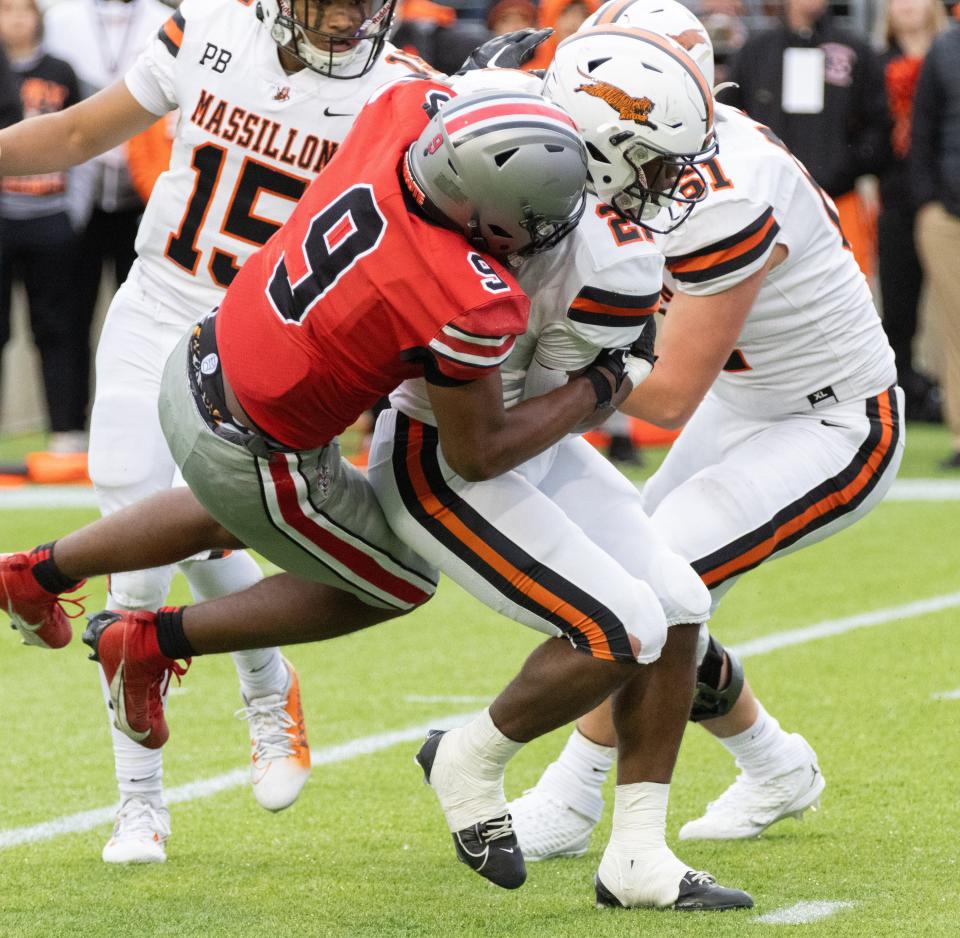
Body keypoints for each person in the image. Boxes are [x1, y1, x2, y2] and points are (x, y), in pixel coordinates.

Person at [0, 78, 623, 894]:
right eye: (529, 217)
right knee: (398, 581)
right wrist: (600, 389)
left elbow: (445, 97)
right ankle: (148, 642)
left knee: (229, 515)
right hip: (258, 444)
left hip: (202, 354)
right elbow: (477, 453)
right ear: (478, 208)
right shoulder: (466, 294)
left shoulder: (399, 119)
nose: (540, 234)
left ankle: (33, 574)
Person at [0, 0, 438, 865]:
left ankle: (169, 777)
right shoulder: (206, 27)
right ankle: (177, 771)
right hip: (159, 300)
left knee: (173, 533)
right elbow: (80, 132)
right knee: (138, 541)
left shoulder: (403, 96)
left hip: (267, 334)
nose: (351, 16)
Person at [505, 0, 903, 860]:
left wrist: (532, 356)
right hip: (745, 407)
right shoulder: (652, 145)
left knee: (652, 587)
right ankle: (775, 763)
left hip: (833, 422)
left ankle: (568, 798)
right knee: (655, 585)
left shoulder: (724, 193)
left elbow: (668, 393)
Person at [368, 27, 752, 911]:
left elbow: (481, 87)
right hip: (448, 456)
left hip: (519, 437)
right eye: (655, 165)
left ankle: (637, 856)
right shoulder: (609, 256)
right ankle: (472, 756)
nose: (667, 188)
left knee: (682, 604)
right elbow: (492, 438)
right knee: (622, 626)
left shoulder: (502, 148)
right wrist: (613, 377)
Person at [41, 0, 172, 454]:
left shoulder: (165, 20)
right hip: (76, 193)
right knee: (68, 317)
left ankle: (152, 429)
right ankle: (66, 428)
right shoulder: (60, 19)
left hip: (148, 193)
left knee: (148, 318)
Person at [725, 0, 891, 280]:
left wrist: (846, 166)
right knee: (767, 298)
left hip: (838, 200)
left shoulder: (855, 49)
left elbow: (878, 123)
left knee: (846, 295)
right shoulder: (756, 50)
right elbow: (728, 117)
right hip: (767, 204)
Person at [0, 0, 87, 451]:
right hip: (3, 219)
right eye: (6, 9)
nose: (16, 18)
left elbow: (84, 140)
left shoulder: (61, 71)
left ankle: (66, 432)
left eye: (24, 9)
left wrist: (75, 210)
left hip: (50, 218)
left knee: (58, 327)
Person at [875, 0, 947, 422]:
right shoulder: (876, 63)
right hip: (897, 198)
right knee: (898, 306)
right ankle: (899, 392)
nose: (907, 6)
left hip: (944, 198)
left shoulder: (947, 58)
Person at [912, 8, 960, 469]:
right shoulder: (944, 51)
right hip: (949, 214)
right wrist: (928, 201)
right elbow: (922, 133)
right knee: (957, 326)